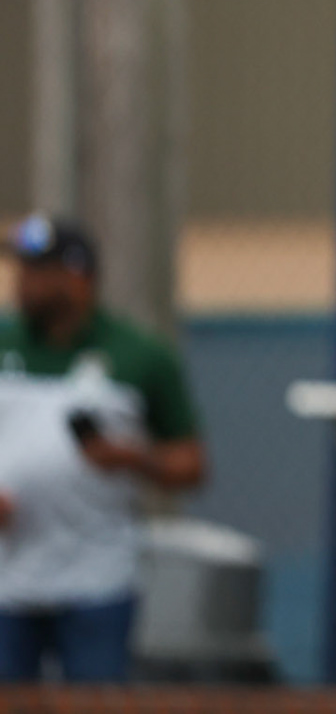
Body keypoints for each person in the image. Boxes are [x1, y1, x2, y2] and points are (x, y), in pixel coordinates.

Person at [0, 214, 206, 681]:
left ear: (78, 278)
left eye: (38, 272)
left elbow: (193, 464)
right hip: (8, 581)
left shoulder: (140, 356)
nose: (21, 284)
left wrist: (136, 458)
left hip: (96, 579)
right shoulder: (2, 343)